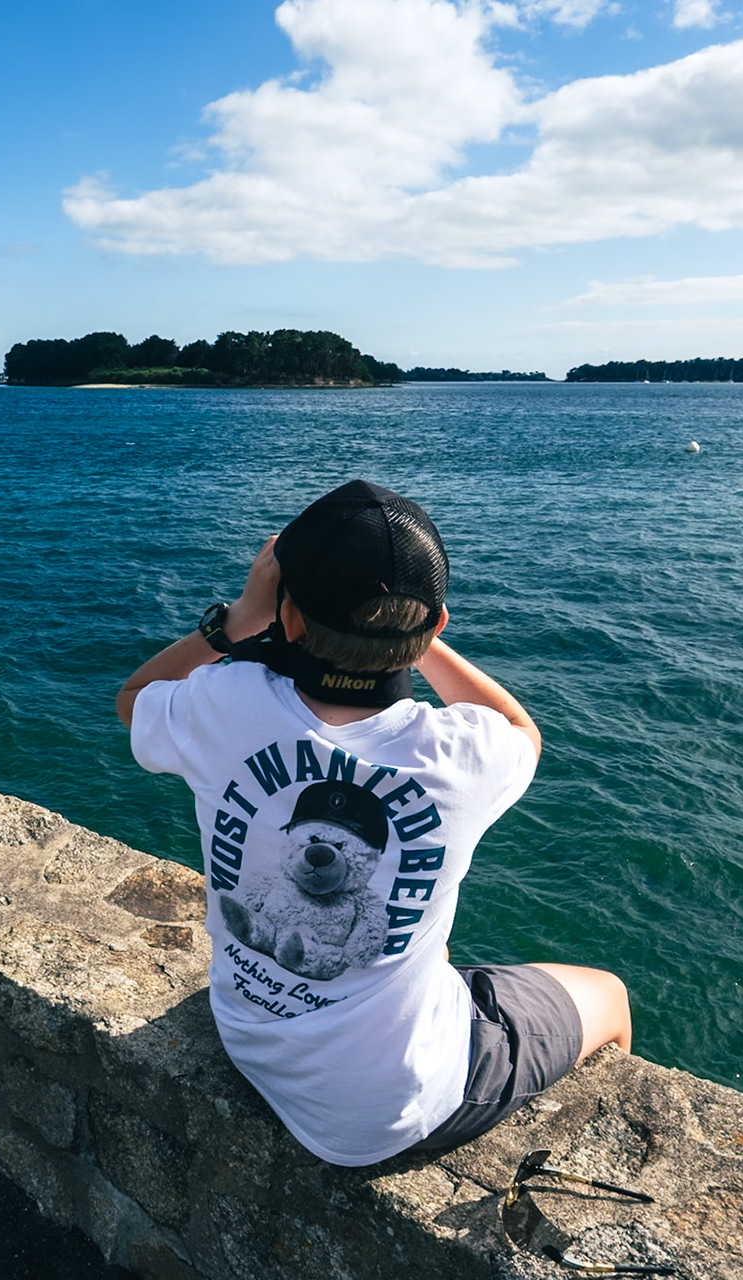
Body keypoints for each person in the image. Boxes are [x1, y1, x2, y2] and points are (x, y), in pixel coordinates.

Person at [117, 479, 630, 1166]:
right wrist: (414, 634)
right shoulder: (463, 754)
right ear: (437, 626)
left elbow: (134, 699)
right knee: (610, 994)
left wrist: (237, 620)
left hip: (247, 1037)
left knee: (430, 957)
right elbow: (521, 729)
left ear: (288, 618)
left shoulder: (224, 701)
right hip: (388, 1115)